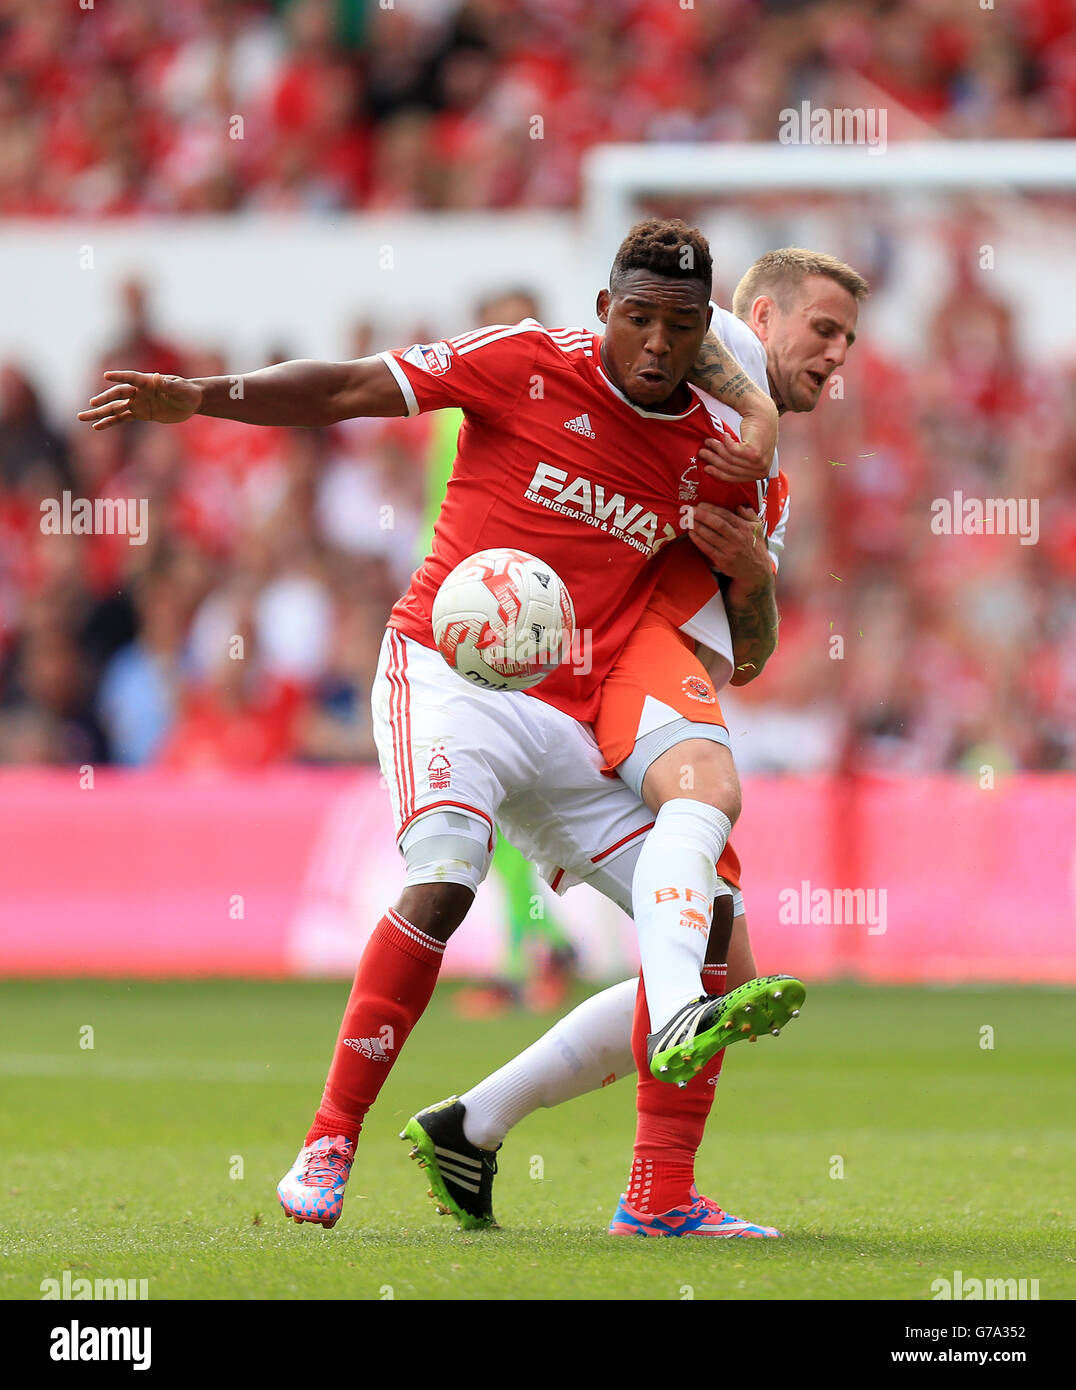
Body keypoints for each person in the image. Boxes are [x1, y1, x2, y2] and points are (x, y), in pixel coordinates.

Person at [78, 218, 800, 1233]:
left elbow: (750, 643)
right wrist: (203, 398)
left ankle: (655, 1199)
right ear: (603, 310)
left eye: (677, 325)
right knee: (447, 869)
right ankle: (329, 1137)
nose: (652, 341)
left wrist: (756, 570)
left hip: (569, 713)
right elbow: (345, 388)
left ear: (702, 337)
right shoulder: (522, 363)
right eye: (635, 316)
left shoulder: (710, 458)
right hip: (445, 668)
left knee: (716, 942)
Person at [404, 247, 868, 1238]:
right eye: (821, 330)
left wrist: (755, 577)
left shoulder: (768, 486)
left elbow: (748, 653)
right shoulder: (722, 355)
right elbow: (680, 343)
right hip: (623, 669)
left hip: (662, 679)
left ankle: (473, 1123)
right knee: (704, 848)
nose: (835, 356)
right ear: (757, 311)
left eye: (848, 342)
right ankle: (656, 1197)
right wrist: (754, 405)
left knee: (721, 967)